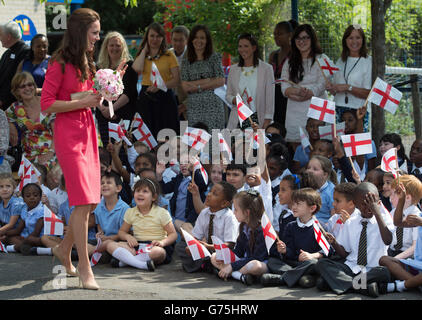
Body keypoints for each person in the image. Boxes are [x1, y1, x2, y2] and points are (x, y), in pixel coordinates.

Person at [40, 8, 111, 290]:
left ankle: (63, 248)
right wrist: (83, 103)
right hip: (68, 133)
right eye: (94, 32)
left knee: (90, 200)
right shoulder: (58, 62)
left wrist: (107, 90)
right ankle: (84, 266)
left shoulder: (87, 59)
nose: (98, 37)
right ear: (81, 32)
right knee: (82, 201)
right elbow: (47, 104)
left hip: (87, 129)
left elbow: (85, 96)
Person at [315, 182, 394, 297]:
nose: (368, 207)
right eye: (364, 204)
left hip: (373, 269)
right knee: (322, 264)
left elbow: (388, 240)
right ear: (356, 204)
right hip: (352, 267)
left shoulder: (384, 219)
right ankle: (363, 287)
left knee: (384, 272)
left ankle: (342, 283)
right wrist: (334, 243)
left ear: (378, 203)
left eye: (372, 204)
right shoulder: (351, 222)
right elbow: (344, 253)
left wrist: (377, 212)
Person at [261, 188, 329, 288]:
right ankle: (303, 278)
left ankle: (282, 278)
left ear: (312, 208)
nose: (294, 207)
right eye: (293, 204)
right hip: (293, 264)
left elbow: (328, 251)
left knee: (314, 263)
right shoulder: (290, 226)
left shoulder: (319, 227)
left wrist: (312, 255)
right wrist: (284, 250)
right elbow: (290, 252)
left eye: (299, 204)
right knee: (272, 261)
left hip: (309, 263)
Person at [106, 178, 178, 270]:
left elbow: (173, 234)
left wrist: (162, 242)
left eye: (145, 191)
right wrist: (128, 237)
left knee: (159, 252)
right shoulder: (130, 212)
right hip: (136, 246)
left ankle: (125, 262)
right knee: (109, 245)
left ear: (154, 197)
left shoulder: (162, 213)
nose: (140, 193)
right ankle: (141, 264)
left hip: (154, 246)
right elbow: (121, 232)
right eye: (137, 191)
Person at [280, 24, 327, 149]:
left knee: (319, 147)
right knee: (297, 149)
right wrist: (297, 93)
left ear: (312, 39)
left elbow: (324, 83)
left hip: (317, 108)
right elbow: (284, 86)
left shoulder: (322, 59)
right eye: (298, 38)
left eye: (306, 38)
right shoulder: (289, 62)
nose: (302, 41)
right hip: (295, 109)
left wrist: (310, 93)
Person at [132, 22, 180, 139]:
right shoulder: (143, 54)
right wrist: (144, 50)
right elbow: (136, 69)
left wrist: (160, 86)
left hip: (165, 97)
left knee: (167, 134)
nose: (155, 39)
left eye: (158, 36)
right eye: (152, 36)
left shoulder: (169, 55)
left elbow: (176, 80)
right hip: (146, 96)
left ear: (162, 38)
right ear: (147, 37)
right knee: (147, 134)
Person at [177, 181, 238, 273]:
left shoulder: (229, 217)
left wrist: (209, 247)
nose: (209, 195)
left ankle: (207, 265)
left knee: (216, 257)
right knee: (181, 246)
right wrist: (192, 245)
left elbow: (230, 244)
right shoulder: (204, 213)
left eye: (215, 194)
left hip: (223, 251)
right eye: (210, 191)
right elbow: (196, 236)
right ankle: (207, 265)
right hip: (207, 249)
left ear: (224, 203)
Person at [211, 190, 268, 285]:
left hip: (261, 263)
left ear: (247, 212)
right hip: (244, 262)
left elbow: (257, 258)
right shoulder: (243, 226)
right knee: (214, 256)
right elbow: (238, 252)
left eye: (236, 210)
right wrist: (224, 257)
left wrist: (232, 266)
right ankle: (239, 276)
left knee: (255, 266)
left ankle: (231, 273)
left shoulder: (261, 230)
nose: (234, 213)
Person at [378, 181, 422, 294]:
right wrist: (401, 200)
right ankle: (415, 283)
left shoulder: (418, 217)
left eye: (395, 194)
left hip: (412, 260)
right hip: (416, 264)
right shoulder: (419, 217)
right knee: (384, 259)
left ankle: (400, 286)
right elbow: (398, 222)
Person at [326, 25, 371, 130]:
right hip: (338, 109)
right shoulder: (340, 61)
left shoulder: (368, 61)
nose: (354, 41)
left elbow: (369, 93)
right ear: (345, 40)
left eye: (358, 37)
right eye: (350, 38)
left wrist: (348, 87)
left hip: (358, 112)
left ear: (363, 40)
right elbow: (336, 90)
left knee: (356, 146)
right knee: (338, 144)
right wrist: (331, 87)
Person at [181, 25, 225, 131]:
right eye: (196, 37)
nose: (198, 40)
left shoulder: (214, 57)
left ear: (207, 40)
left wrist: (197, 86)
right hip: (194, 108)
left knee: (214, 143)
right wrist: (208, 80)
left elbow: (221, 80)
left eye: (202, 38)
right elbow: (185, 86)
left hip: (214, 107)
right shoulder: (186, 62)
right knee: (197, 142)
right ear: (191, 40)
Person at [95, 31, 136, 146]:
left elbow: (129, 93)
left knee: (123, 151)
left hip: (122, 115)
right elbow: (95, 90)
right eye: (111, 45)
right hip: (103, 116)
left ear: (122, 47)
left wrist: (111, 110)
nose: (114, 48)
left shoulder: (130, 66)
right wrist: (103, 108)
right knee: (108, 150)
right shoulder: (99, 67)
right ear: (106, 47)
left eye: (118, 45)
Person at [226, 33, 275, 130]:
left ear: (254, 48)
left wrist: (267, 119)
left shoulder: (266, 69)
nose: (242, 49)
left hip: (258, 119)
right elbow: (228, 95)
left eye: (246, 46)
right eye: (240, 46)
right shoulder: (233, 69)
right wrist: (234, 100)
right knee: (239, 145)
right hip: (237, 120)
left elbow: (270, 96)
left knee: (255, 145)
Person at [7, 72, 56, 167]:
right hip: (29, 155)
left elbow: (57, 133)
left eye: (30, 84)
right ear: (16, 91)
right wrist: (11, 125)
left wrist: (50, 152)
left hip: (51, 151)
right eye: (22, 86)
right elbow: (3, 117)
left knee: (46, 171)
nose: (27, 88)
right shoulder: (15, 108)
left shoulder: (46, 104)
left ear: (34, 86)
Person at [156, 153, 207, 234]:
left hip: (190, 223)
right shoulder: (179, 178)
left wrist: (195, 169)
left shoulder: (197, 180)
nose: (183, 165)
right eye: (181, 163)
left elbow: (203, 185)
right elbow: (164, 189)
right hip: (175, 220)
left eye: (187, 162)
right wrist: (159, 175)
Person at [268, 20, 298, 137]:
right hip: (274, 96)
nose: (276, 37)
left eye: (280, 34)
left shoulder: (295, 55)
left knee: (289, 128)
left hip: (289, 97)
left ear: (290, 35)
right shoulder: (273, 55)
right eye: (274, 34)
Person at [384, 175, 421, 258]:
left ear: (407, 197)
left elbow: (415, 247)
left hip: (407, 255)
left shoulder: (416, 216)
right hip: (391, 251)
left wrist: (395, 259)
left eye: (394, 194)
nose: (390, 198)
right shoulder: (393, 212)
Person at [4, 183, 47, 255]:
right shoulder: (24, 210)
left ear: (40, 198)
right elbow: (18, 230)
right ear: (23, 199)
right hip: (28, 237)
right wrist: (4, 233)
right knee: (10, 238)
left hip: (39, 238)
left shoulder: (42, 211)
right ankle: (25, 247)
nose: (32, 197)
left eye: (35, 195)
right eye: (28, 196)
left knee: (30, 239)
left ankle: (16, 248)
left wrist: (26, 240)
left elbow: (36, 233)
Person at [0, 21, 30, 110]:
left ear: (8, 37)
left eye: (0, 35)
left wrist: (3, 99)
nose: (0, 38)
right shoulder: (6, 53)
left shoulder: (25, 52)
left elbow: (18, 80)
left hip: (17, 107)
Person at [305, 155, 337, 226]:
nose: (309, 171)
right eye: (308, 168)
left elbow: (334, 219)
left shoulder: (332, 191)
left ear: (325, 174)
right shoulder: (307, 187)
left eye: (315, 169)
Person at [170, 26, 189, 120]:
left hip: (187, 104)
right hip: (170, 102)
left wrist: (186, 105)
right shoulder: (167, 55)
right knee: (171, 133)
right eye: (175, 40)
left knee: (185, 132)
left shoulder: (193, 56)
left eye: (181, 40)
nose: (177, 43)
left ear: (187, 40)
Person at [0, 173, 25, 244]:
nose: (5, 189)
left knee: (9, 239)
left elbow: (11, 224)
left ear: (14, 188)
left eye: (8, 186)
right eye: (1, 187)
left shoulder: (16, 202)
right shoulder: (1, 204)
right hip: (9, 232)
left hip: (22, 232)